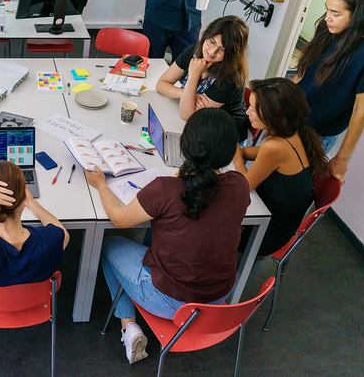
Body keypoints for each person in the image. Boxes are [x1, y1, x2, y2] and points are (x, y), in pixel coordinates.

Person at [87, 108, 250, 364]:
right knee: (161, 234)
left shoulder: (166, 189)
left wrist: (100, 185)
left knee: (110, 245)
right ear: (230, 152)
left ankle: (128, 327)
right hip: (218, 299)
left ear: (184, 147)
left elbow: (118, 219)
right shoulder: (240, 186)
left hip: (170, 301)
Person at [294, 0, 364, 183]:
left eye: (336, 14)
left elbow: (360, 110)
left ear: (359, 16)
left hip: (315, 135)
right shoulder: (327, 29)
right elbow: (302, 73)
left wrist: (342, 157)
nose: (327, 18)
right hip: (290, 117)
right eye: (327, 10)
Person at [232, 78, 329, 256]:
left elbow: (245, 185)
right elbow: (261, 153)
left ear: (272, 115)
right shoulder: (294, 133)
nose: (247, 112)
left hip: (266, 234)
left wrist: (237, 156)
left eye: (253, 109)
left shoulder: (275, 147)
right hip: (283, 221)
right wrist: (241, 151)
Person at [155, 15, 250, 142]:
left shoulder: (231, 79)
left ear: (232, 53)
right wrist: (187, 94)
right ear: (205, 35)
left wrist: (194, 74)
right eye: (211, 42)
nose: (212, 52)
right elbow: (161, 84)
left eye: (222, 49)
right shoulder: (193, 52)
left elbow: (187, 115)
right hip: (202, 125)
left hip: (227, 136)